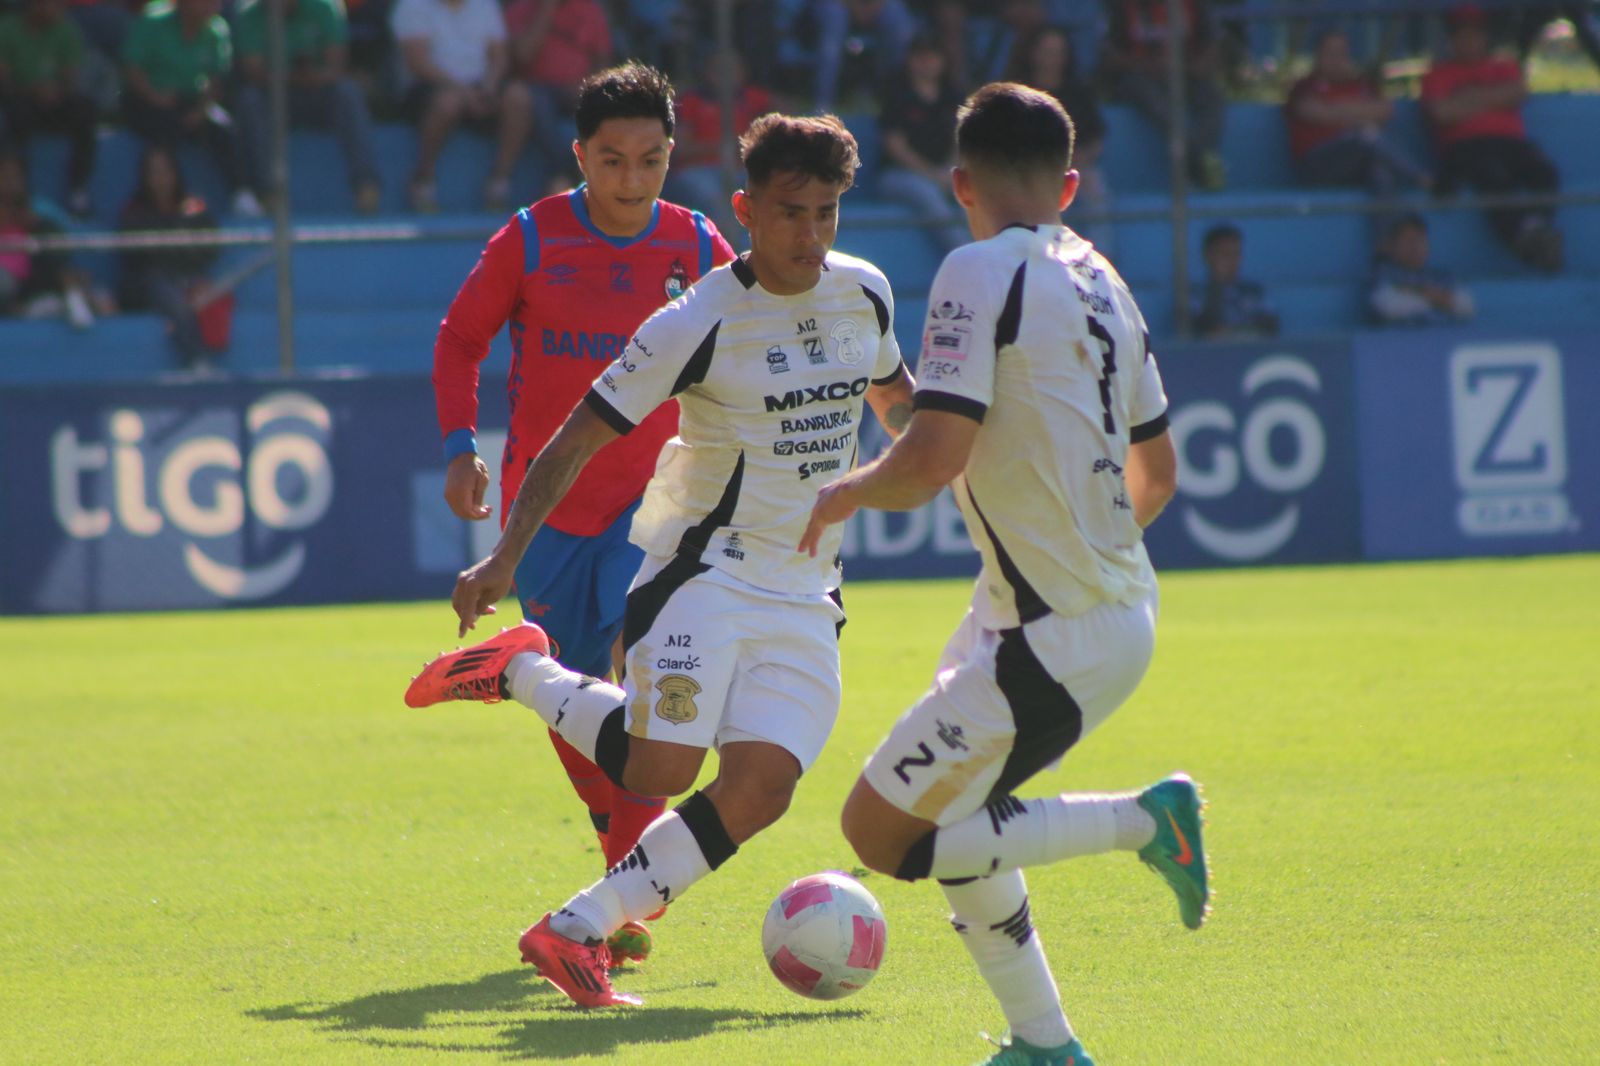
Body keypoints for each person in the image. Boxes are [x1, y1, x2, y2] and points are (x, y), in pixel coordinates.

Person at [406, 112, 916, 1009]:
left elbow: (899, 404)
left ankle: (574, 930)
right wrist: (503, 557)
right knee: (659, 771)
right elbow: (575, 439)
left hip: (807, 589)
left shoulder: (864, 293)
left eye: (828, 213)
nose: (811, 235)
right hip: (701, 575)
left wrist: (962, 452)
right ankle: (520, 670)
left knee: (761, 789)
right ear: (745, 211)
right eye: (791, 213)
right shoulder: (697, 320)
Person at [797, 82, 1203, 1066]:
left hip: (1054, 634)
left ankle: (1144, 821)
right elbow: (1157, 473)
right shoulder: (1104, 281)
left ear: (960, 184)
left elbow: (931, 458)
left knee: (880, 834)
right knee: (960, 816)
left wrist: (844, 491)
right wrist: (1087, 551)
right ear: (1069, 185)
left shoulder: (975, 269)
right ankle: (1045, 1045)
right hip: (1086, 612)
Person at [425, 62, 735, 967]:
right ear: (579, 157)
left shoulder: (699, 243)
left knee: (652, 687)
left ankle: (620, 891)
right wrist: (458, 447)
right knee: (570, 694)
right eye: (612, 160)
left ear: (671, 156)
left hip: (659, 507)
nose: (632, 179)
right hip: (552, 505)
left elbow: (748, 344)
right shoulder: (530, 238)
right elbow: (459, 339)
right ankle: (621, 856)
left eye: (650, 160)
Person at [1422, 3, 1563, 272]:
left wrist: (1469, 98)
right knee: (1493, 176)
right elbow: (1442, 113)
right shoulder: (1437, 74)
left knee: (1544, 171)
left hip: (1510, 143)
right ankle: (1530, 239)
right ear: (1451, 39)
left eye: (1475, 34)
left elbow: (1519, 92)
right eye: (1462, 34)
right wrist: (1495, 99)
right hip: (1465, 147)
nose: (1469, 41)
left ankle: (1534, 231)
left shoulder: (1504, 67)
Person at [233, 0, 383, 215]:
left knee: (347, 92)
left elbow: (337, 66)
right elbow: (253, 73)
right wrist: (292, 77)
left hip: (318, 94)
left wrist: (309, 76)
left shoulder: (325, 7)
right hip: (273, 98)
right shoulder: (250, 16)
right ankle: (268, 194)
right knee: (250, 100)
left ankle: (366, 187)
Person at [390, 0, 534, 212]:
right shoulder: (412, 6)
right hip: (430, 87)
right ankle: (423, 180)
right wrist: (464, 92)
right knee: (448, 103)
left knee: (518, 97)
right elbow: (418, 63)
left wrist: (489, 87)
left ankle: (498, 182)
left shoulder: (486, 5)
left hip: (480, 86)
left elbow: (499, 55)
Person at [121, 0, 258, 217]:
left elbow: (216, 80)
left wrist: (201, 111)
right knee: (164, 133)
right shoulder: (152, 23)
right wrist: (155, 96)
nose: (213, 5)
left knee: (224, 130)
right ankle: (159, 202)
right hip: (145, 101)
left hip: (189, 102)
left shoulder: (216, 30)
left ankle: (242, 193)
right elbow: (132, 68)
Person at [1286, 29, 1431, 200]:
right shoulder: (1304, 86)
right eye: (1330, 53)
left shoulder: (1361, 84)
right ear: (1318, 55)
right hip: (1318, 166)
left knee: (1378, 170)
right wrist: (1358, 113)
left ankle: (1394, 218)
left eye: (1341, 53)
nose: (1336, 59)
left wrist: (1338, 110)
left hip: (1355, 164)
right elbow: (1315, 112)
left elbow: (1385, 111)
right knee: (1365, 135)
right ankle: (1421, 178)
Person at [118, 144, 227, 370]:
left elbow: (208, 247)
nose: (161, 178)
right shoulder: (135, 210)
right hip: (148, 284)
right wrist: (177, 246)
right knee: (170, 293)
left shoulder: (192, 206)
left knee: (210, 293)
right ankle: (196, 360)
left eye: (166, 171)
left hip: (189, 277)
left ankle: (211, 357)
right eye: (154, 172)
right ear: (145, 177)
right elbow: (139, 256)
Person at [1102, 0, 1227, 189]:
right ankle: (1196, 161)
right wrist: (1147, 65)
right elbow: (1110, 57)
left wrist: (1182, 67)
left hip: (1186, 75)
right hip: (1140, 78)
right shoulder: (1123, 7)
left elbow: (1210, 50)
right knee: (1147, 95)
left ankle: (1193, 156)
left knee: (1211, 96)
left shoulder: (1194, 5)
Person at [1006, 23, 1110, 248]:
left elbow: (1096, 136)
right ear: (1034, 54)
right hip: (1028, 170)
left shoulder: (1079, 92)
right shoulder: (1017, 94)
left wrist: (1079, 159)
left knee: (1095, 185)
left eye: (1058, 52)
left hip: (1073, 167)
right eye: (1047, 51)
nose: (1052, 59)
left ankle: (1100, 256)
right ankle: (1035, 255)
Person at [0, 0, 99, 218]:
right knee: (15, 115)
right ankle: (19, 193)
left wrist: (55, 90)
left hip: (55, 102)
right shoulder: (7, 29)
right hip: (20, 101)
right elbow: (4, 80)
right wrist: (34, 89)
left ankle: (78, 189)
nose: (55, 9)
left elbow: (72, 77)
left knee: (85, 110)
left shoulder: (65, 29)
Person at [503, 0, 612, 193]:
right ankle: (561, 171)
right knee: (530, 99)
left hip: (578, 92)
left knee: (602, 106)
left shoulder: (590, 10)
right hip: (534, 87)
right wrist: (547, 9)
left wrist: (587, 85)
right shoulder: (522, 8)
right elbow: (522, 55)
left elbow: (603, 63)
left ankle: (576, 184)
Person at [878, 32, 968, 254]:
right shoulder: (897, 95)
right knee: (928, 194)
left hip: (944, 171)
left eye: (932, 56)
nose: (927, 62)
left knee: (972, 191)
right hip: (898, 175)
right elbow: (895, 146)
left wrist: (949, 171)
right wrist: (933, 175)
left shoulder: (952, 95)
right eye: (920, 56)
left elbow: (961, 140)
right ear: (910, 60)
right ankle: (963, 254)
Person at [0, 147, 99, 327]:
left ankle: (70, 293)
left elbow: (61, 239)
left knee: (48, 238)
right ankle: (68, 291)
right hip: (6, 279)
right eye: (5, 176)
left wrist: (31, 222)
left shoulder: (37, 208)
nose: (11, 182)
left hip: (31, 277)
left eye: (15, 176)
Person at [1367, 212, 1475, 327]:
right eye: (1409, 241)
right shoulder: (1383, 274)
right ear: (1390, 245)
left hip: (1443, 335)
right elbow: (1387, 307)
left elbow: (1467, 307)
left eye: (1421, 239)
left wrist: (1427, 297)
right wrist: (1432, 297)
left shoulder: (1440, 276)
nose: (1416, 247)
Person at [1192, 222, 1278, 340]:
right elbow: (1201, 330)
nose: (1232, 261)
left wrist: (1233, 333)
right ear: (1208, 255)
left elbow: (1271, 327)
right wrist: (1217, 285)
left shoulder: (1254, 291)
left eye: (1236, 254)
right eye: (1225, 254)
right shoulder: (1194, 295)